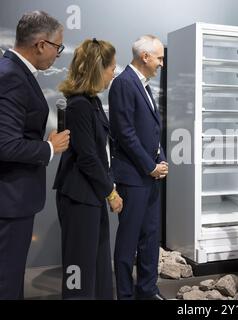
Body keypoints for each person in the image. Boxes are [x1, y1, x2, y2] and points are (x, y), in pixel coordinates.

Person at [0, 11, 70, 299]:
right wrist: (50, 147)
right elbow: (5, 145)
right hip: (9, 201)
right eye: (58, 47)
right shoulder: (12, 76)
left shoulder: (14, 72)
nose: (58, 55)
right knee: (7, 278)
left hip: (13, 198)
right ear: (41, 44)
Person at [53, 38, 123, 299]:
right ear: (97, 68)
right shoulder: (80, 105)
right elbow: (88, 158)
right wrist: (111, 193)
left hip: (91, 195)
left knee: (99, 267)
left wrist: (107, 188)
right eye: (111, 66)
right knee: (80, 272)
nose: (114, 72)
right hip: (79, 197)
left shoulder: (90, 102)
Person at [109, 35, 168, 300]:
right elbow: (125, 133)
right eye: (159, 58)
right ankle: (125, 295)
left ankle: (147, 290)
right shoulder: (123, 83)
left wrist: (161, 160)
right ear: (145, 57)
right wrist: (149, 167)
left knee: (150, 237)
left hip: (149, 176)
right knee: (128, 241)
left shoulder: (142, 85)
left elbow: (152, 130)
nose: (162, 64)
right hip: (134, 178)